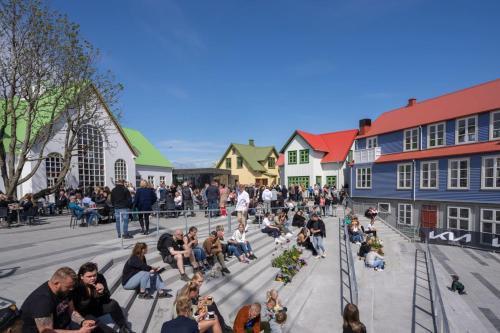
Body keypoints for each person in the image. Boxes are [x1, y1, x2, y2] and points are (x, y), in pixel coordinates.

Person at [20, 267, 96, 333]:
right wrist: (78, 332)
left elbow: (71, 311)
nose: (71, 289)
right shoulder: (42, 301)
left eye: (72, 286)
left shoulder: (65, 291)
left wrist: (83, 321)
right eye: (68, 287)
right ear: (56, 283)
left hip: (63, 327)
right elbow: (46, 331)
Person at [73, 262, 131, 333]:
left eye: (94, 275)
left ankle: (124, 328)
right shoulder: (76, 286)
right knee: (97, 325)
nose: (93, 278)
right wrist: (92, 295)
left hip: (96, 307)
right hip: (84, 313)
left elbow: (107, 299)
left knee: (113, 303)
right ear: (81, 276)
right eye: (89, 276)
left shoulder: (100, 278)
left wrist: (102, 292)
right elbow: (79, 307)